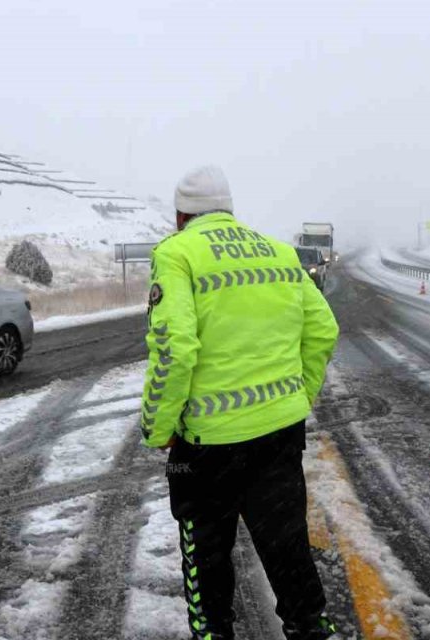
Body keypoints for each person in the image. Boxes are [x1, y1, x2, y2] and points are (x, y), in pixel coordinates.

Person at [139, 165, 341, 640]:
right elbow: (324, 331)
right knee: (287, 548)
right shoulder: (279, 252)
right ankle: (312, 629)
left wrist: (157, 426)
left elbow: (175, 348)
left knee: (206, 559)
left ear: (180, 215)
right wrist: (297, 398)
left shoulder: (176, 254)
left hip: (207, 447)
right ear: (229, 209)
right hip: (279, 436)